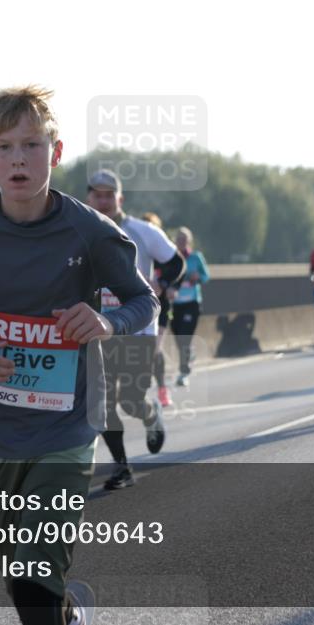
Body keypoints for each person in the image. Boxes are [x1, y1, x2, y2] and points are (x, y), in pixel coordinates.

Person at [0, 86, 159, 625]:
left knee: (38, 575)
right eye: (5, 145)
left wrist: (108, 321)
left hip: (66, 426)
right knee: (24, 580)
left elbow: (143, 299)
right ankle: (68, 615)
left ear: (56, 153)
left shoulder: (88, 229)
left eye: (33, 145)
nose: (19, 158)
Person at [85, 171, 184, 490]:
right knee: (101, 403)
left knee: (129, 400)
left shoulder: (142, 232)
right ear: (89, 198)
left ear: (119, 199)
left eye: (108, 195)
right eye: (97, 195)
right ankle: (121, 467)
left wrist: (162, 284)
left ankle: (150, 412)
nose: (103, 200)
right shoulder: (78, 232)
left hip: (138, 331)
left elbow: (175, 262)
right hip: (99, 331)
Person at [140, 213, 175, 408]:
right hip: (141, 307)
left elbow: (177, 271)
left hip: (160, 308)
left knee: (155, 349)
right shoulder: (135, 250)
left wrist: (167, 285)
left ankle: (162, 390)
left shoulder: (163, 255)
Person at [169, 227, 210, 387]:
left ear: (189, 241)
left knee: (185, 337)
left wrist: (198, 277)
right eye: (179, 238)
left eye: (184, 239)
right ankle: (189, 355)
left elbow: (206, 276)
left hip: (192, 303)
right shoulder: (171, 258)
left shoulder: (196, 257)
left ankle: (184, 372)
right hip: (175, 304)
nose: (181, 241)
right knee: (179, 338)